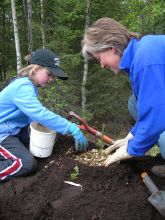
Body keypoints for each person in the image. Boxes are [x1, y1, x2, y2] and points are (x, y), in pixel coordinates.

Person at [82, 17, 165, 177]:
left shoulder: (146, 60)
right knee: (134, 103)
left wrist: (132, 148)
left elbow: (157, 114)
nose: (102, 65)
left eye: (99, 58)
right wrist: (132, 136)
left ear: (111, 48)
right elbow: (148, 105)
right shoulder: (140, 53)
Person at [0, 48, 88, 181]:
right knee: (26, 164)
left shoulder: (29, 86)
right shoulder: (22, 86)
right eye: (49, 74)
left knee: (46, 143)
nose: (52, 79)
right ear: (35, 70)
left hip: (14, 129)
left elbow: (31, 116)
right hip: (2, 133)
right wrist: (70, 127)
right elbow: (39, 113)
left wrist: (58, 125)